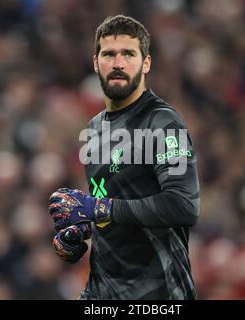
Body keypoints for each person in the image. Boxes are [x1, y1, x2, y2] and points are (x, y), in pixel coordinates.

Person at [48, 14, 200, 300]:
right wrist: (80, 233)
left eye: (128, 54)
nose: (117, 63)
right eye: (109, 54)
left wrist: (99, 208)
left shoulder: (163, 122)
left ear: (146, 63)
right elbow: (118, 211)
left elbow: (183, 205)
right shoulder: (94, 129)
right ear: (96, 62)